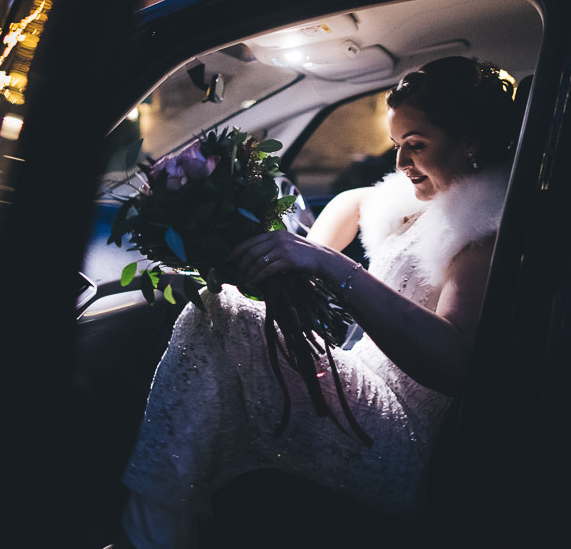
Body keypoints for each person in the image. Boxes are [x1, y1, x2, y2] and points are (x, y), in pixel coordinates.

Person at [118, 56, 517, 549]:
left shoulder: (480, 229)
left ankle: (153, 533)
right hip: (356, 391)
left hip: (398, 437)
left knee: (224, 315)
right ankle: (163, 528)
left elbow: (453, 362)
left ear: (470, 142)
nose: (400, 164)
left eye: (416, 146)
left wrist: (332, 265)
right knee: (222, 310)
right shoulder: (412, 205)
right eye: (396, 146)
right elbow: (346, 211)